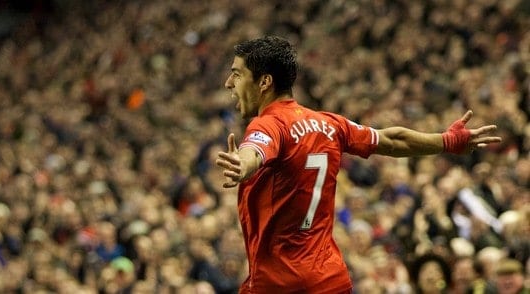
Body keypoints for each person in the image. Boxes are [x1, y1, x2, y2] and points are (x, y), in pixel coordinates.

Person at [215, 36, 502, 293]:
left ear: (264, 82)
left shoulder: (267, 125)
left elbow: (256, 150)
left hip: (278, 284)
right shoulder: (329, 123)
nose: (229, 83)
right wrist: (447, 141)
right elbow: (392, 140)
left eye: (237, 74)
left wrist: (243, 164)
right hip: (330, 280)